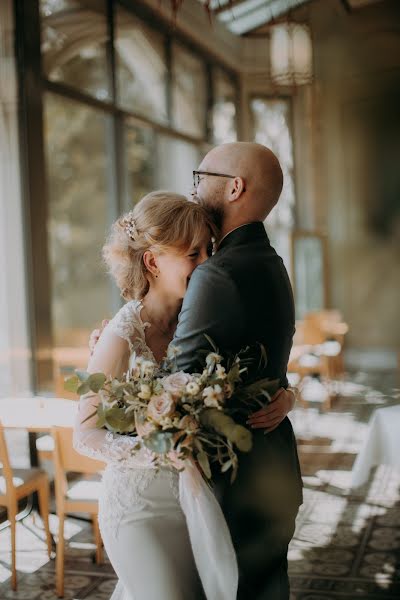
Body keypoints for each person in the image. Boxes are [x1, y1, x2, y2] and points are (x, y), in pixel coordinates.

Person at [74, 191, 239, 600]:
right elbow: (85, 435)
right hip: (137, 509)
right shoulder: (119, 335)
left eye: (208, 250)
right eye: (193, 253)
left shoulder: (197, 323)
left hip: (193, 501)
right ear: (152, 261)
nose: (206, 262)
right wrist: (156, 451)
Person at [171, 142, 303, 599]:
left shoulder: (219, 273)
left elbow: (176, 383)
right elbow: (267, 358)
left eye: (199, 176)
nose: (193, 187)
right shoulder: (270, 263)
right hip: (273, 467)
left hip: (235, 480)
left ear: (234, 188)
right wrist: (289, 392)